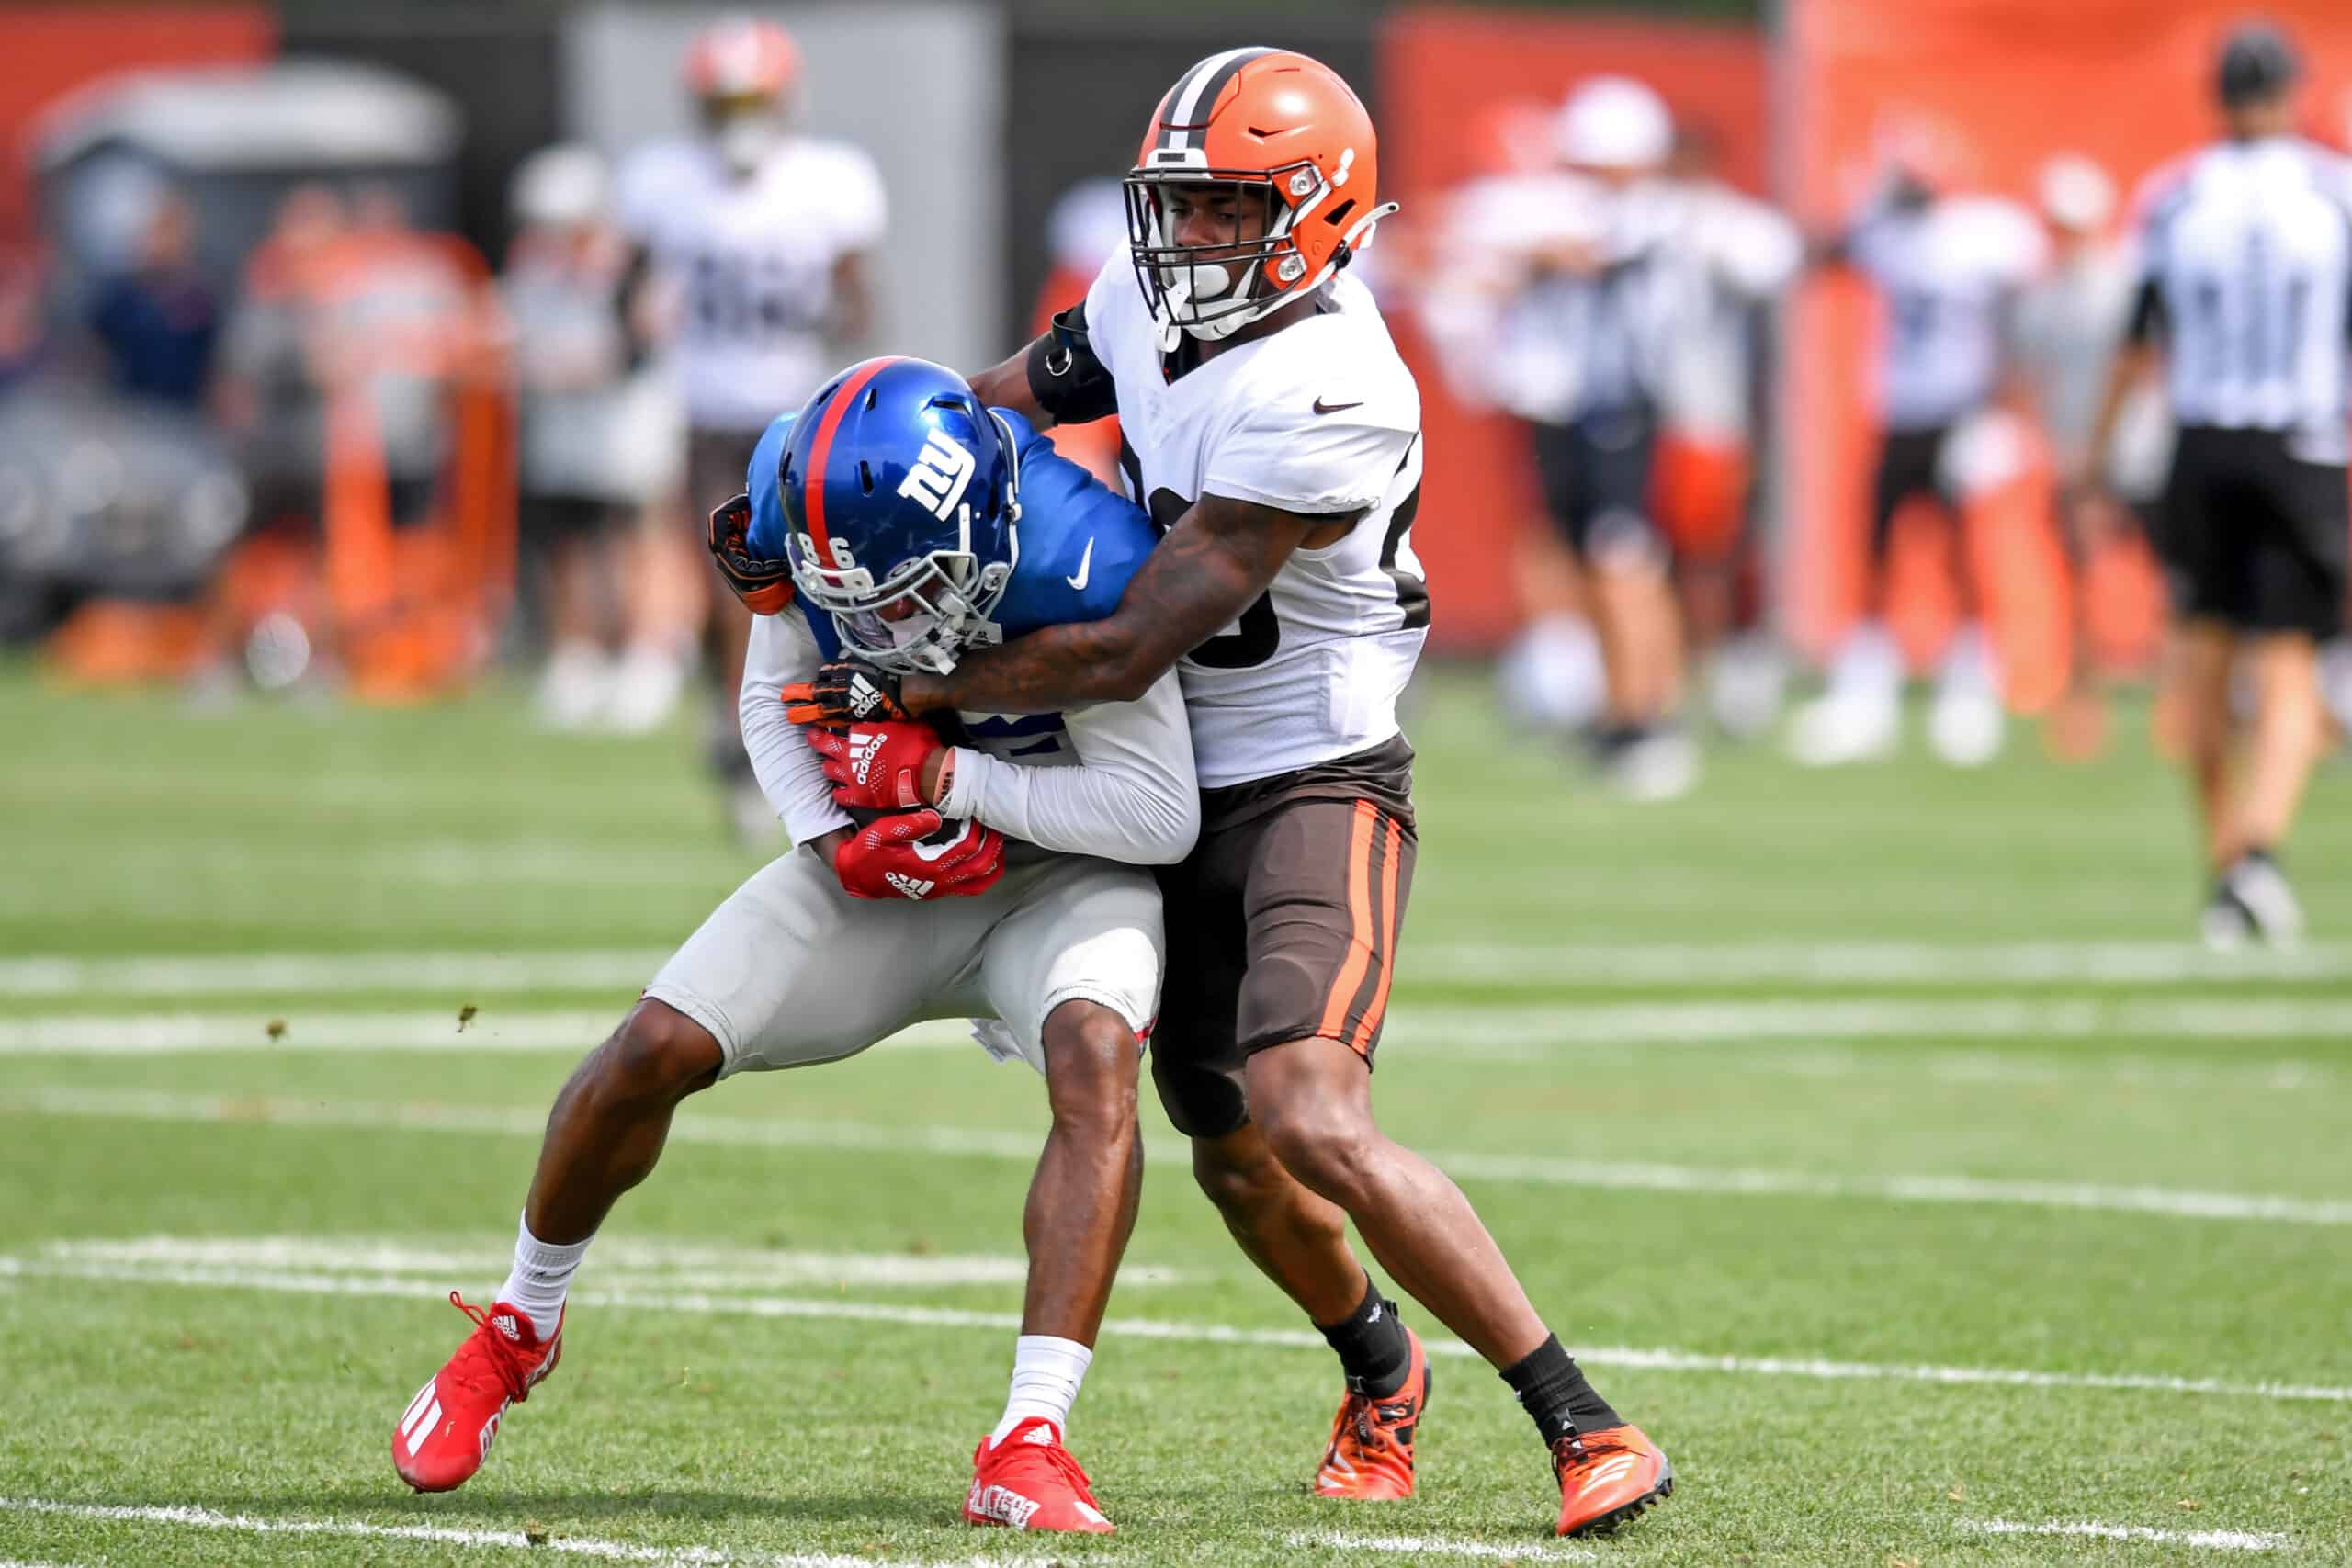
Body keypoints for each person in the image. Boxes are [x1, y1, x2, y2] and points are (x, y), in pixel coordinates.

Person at [785, 50, 1672, 1540]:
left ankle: (1583, 1421)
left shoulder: (1333, 383)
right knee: (1226, 1143)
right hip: (1171, 774)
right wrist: (842, 484)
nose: (1193, 242)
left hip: (1311, 773)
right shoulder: (1148, 299)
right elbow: (986, 412)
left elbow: (1134, 643)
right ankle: (1380, 1368)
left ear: (1325, 213)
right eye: (1181, 208)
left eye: (1231, 211)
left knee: (1311, 1111)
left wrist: (925, 689)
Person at [391, 357, 1197, 1535]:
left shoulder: (1083, 552)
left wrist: (943, 776)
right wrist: (833, 841)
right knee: (653, 1045)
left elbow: (1157, 813)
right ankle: (519, 1328)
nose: (877, 628)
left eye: (903, 592)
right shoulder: (795, 512)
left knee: (1095, 1057)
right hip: (885, 858)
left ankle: (1028, 1440)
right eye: (850, 599)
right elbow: (774, 696)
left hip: (1066, 868)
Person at [2085, 22, 2350, 946]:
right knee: (2286, 662)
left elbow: (2135, 341)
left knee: (2198, 660)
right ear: (2292, 89)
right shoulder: (2333, 192)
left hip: (2198, 443)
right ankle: (2257, 858)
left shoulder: (2174, 193)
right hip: (2302, 441)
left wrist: (2094, 455)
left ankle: (2225, 864)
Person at [615, 16, 888, 834]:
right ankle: (733, 725)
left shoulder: (829, 181)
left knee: (800, 590)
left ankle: (780, 745)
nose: (739, 117)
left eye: (752, 98)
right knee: (719, 595)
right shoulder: (664, 182)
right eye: (723, 101)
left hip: (799, 418)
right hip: (703, 409)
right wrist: (637, 330)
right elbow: (626, 292)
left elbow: (860, 302)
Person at [1791, 125, 2047, 768]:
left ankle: (1969, 686)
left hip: (1961, 412)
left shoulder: (1984, 236)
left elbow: (2022, 320)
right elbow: (1814, 256)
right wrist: (1864, 201)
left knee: (1963, 554)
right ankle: (1868, 690)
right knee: (1877, 554)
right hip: (1900, 413)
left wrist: (2004, 407)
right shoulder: (1883, 230)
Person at [500, 144, 676, 730]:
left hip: (624, 424)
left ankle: (647, 655)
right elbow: (508, 335)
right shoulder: (533, 270)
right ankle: (577, 655)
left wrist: (565, 367)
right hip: (562, 431)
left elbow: (639, 345)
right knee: (567, 546)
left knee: (636, 542)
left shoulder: (630, 269)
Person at [2011, 152, 2170, 761]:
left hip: (2140, 452)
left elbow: (2148, 368)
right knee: (2078, 579)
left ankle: (2175, 698)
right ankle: (2083, 703)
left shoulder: (2128, 281)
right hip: (2078, 455)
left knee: (2166, 579)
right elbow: (2032, 381)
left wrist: (2101, 450)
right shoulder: (2042, 297)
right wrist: (2062, 451)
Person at [85, 187, 219, 410]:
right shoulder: (120, 295)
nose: (166, 242)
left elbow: (211, 363)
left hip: (184, 415)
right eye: (159, 232)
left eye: (174, 232)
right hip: (129, 411)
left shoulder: (201, 295)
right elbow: (95, 354)